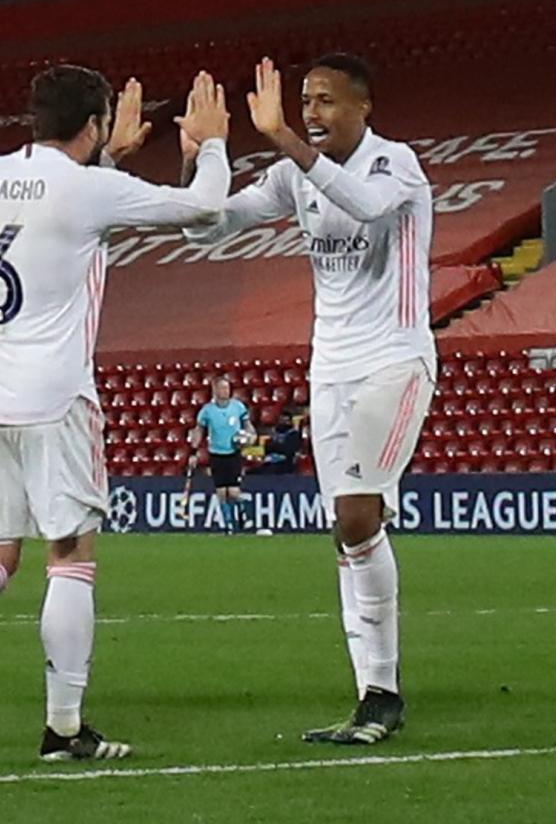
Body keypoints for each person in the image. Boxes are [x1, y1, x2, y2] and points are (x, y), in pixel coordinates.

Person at [0, 66, 231, 763]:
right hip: (55, 399)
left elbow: (53, 203)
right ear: (96, 122)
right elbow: (203, 208)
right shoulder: (89, 188)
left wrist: (107, 156)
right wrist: (213, 144)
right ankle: (64, 728)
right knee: (70, 558)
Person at [184, 54, 434, 745]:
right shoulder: (296, 176)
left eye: (325, 100)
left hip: (395, 360)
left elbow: (370, 207)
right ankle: (371, 692)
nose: (313, 113)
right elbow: (209, 225)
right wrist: (200, 160)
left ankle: (382, 692)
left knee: (357, 516)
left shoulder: (396, 164)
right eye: (304, 102)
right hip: (331, 372)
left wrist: (284, 141)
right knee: (347, 530)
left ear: (364, 106)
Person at [188, 376, 255, 533]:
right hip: (216, 454)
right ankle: (229, 525)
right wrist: (193, 452)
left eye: (227, 388)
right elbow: (199, 432)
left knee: (233, 491)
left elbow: (248, 426)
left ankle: (245, 512)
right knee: (221, 492)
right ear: (215, 390)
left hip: (233, 453)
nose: (226, 391)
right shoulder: (207, 411)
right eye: (222, 388)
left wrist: (251, 437)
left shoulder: (238, 407)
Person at [256, 406, 305, 475]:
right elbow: (267, 448)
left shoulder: (294, 434)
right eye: (282, 420)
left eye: (286, 421)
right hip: (270, 461)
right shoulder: (274, 433)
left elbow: (288, 450)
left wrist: (275, 446)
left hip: (285, 464)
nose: (284, 422)